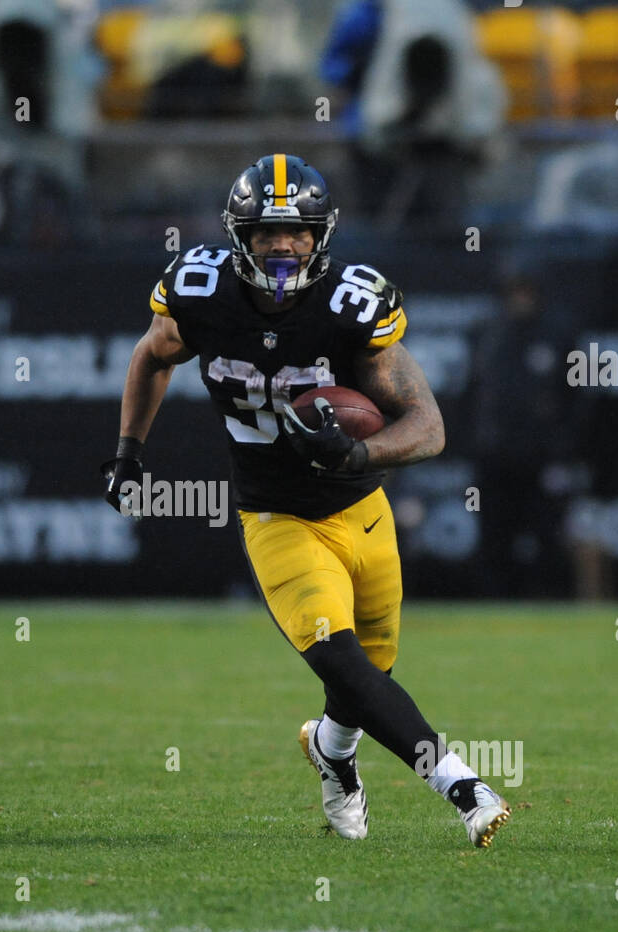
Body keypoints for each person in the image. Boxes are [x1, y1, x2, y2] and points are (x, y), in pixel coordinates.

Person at [102, 154, 509, 846]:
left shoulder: (352, 305)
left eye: (297, 233)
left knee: (365, 679)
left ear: (322, 235)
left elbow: (428, 426)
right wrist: (128, 453)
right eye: (266, 232)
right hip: (276, 514)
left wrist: (359, 452)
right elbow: (151, 355)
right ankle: (463, 786)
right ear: (240, 235)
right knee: (339, 658)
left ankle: (333, 752)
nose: (283, 245)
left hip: (362, 511)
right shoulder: (200, 292)